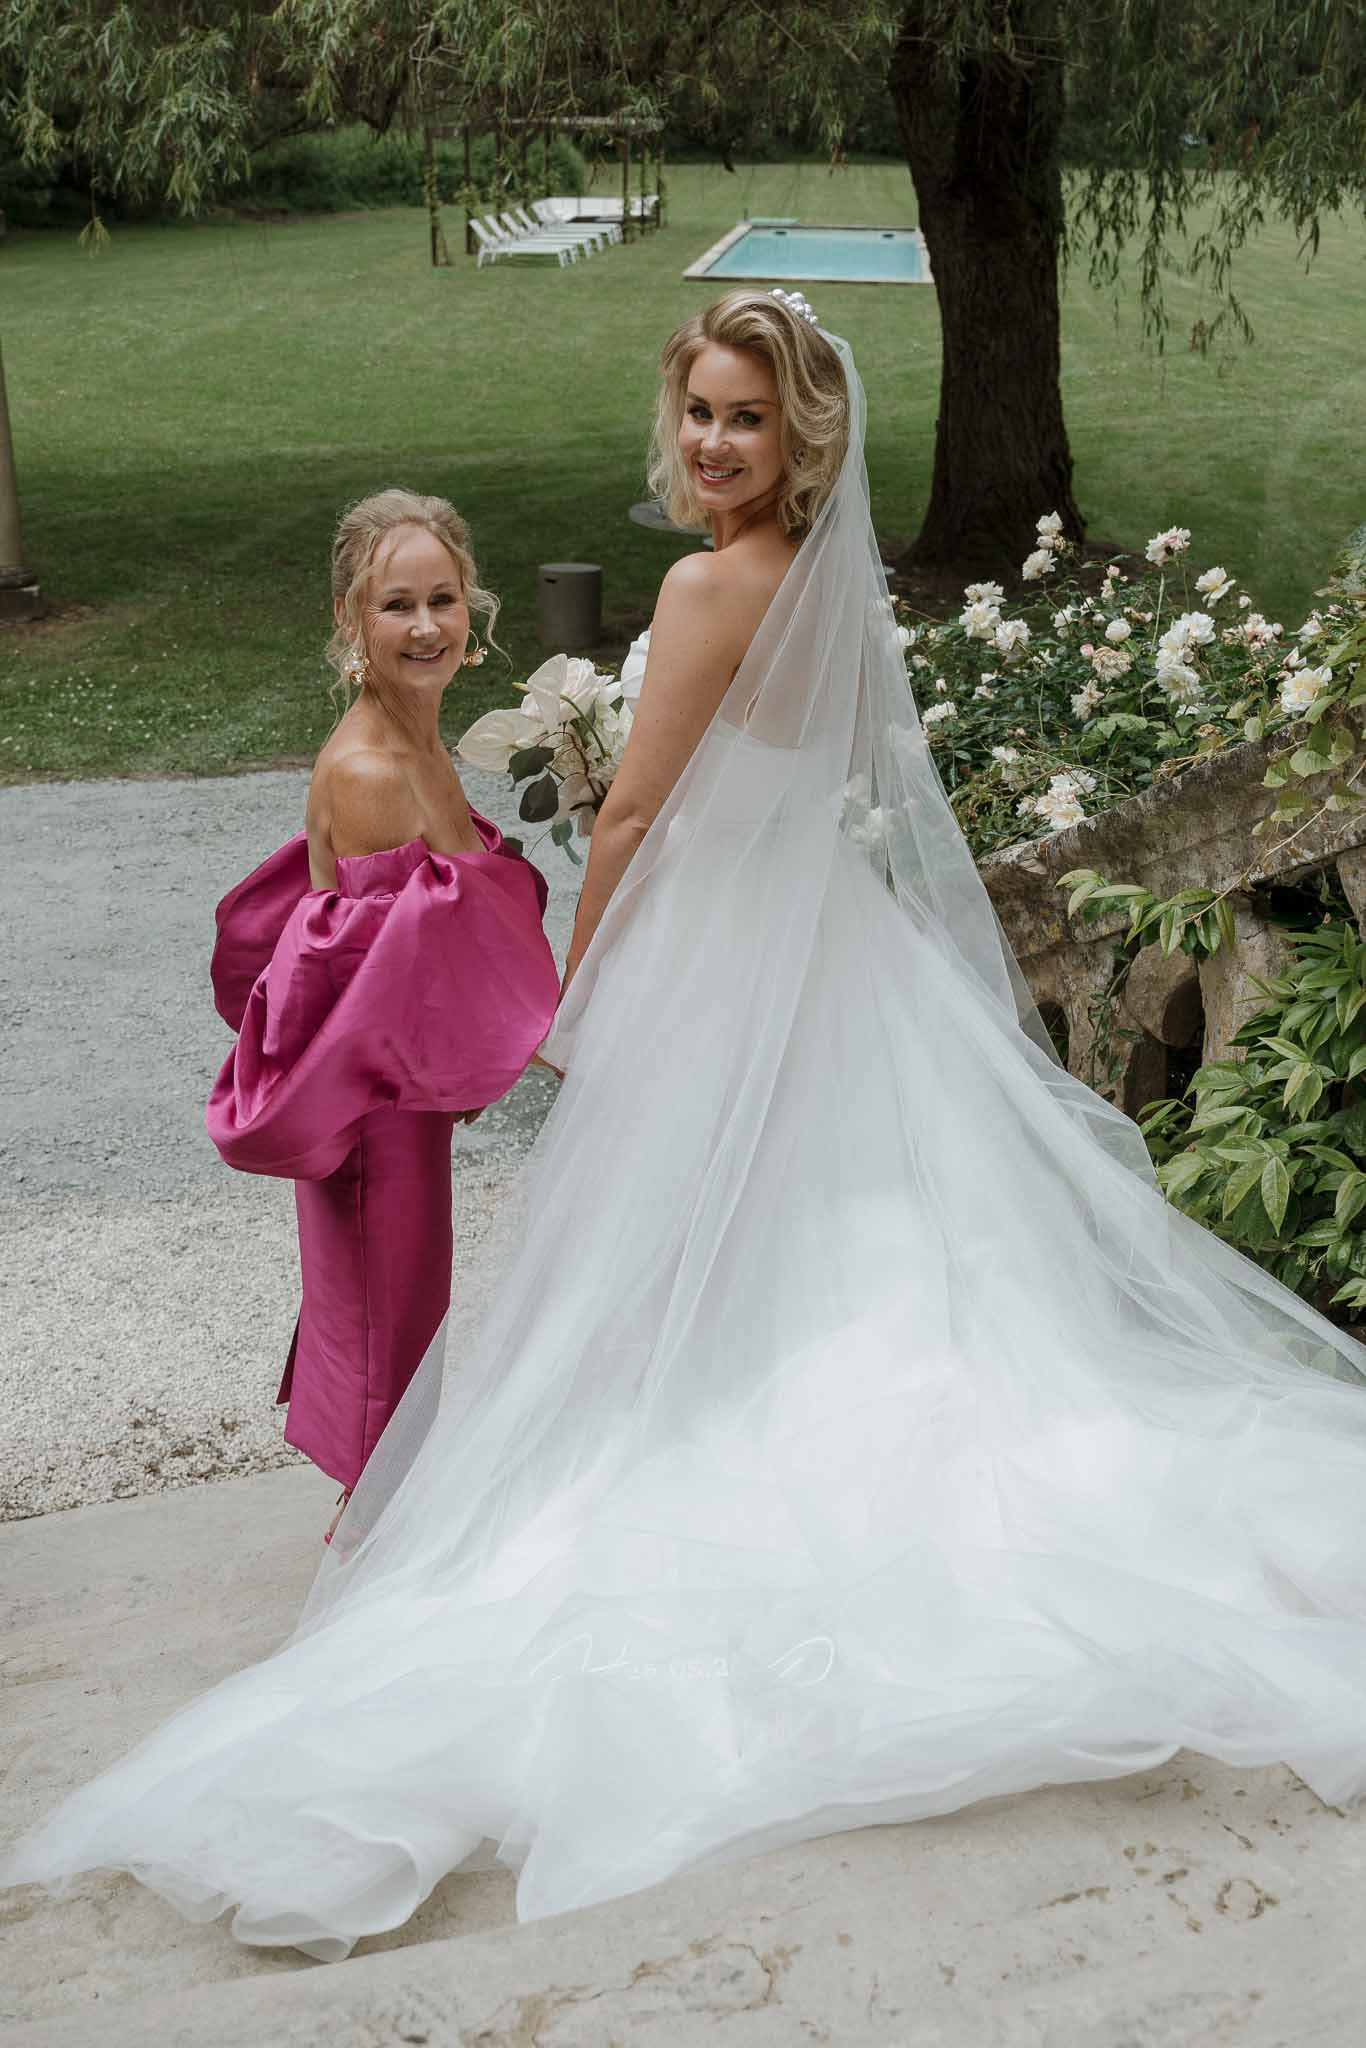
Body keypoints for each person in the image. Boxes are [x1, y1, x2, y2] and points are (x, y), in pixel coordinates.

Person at [6, 294, 1366, 1958]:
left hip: (726, 952)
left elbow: (638, 804)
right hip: (825, 942)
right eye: (700, 413)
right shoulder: (824, 577)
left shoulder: (712, 579)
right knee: (830, 1224)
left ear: (798, 434)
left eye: (741, 416)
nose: (712, 441)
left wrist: (575, 981)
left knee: (675, 1231)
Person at [204, 490, 559, 1542]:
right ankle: (369, 1555)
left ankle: (384, 1525)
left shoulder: (416, 739)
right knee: (387, 1330)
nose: (425, 626)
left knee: (408, 1320)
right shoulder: (368, 770)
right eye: (396, 603)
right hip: (373, 1115)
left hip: (402, 1100)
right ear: (351, 620)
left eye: (443, 599)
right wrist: (544, 1044)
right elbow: (387, 987)